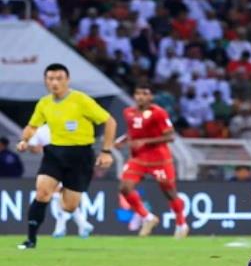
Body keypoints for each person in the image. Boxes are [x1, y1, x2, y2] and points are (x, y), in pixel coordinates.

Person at [15, 63, 116, 249]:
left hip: (81, 155)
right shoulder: (44, 103)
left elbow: (109, 121)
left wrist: (106, 151)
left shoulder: (81, 100)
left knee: (68, 206)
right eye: (50, 79)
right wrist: (25, 139)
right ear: (45, 81)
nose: (54, 83)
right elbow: (32, 126)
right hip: (55, 153)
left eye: (59, 78)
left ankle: (65, 199)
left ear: (67, 80)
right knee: (42, 192)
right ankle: (30, 240)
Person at [115, 83, 188, 238]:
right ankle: (148, 217)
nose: (140, 97)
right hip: (138, 158)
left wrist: (146, 141)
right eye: (138, 93)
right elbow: (134, 132)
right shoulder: (128, 112)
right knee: (125, 187)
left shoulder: (159, 113)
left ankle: (181, 224)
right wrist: (123, 139)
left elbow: (170, 136)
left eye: (145, 93)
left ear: (151, 97)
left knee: (169, 193)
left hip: (159, 159)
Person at [26, 124, 95, 238]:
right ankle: (76, 224)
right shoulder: (43, 130)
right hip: (55, 166)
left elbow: (36, 149)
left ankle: (70, 225)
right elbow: (35, 148)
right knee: (59, 194)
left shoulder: (68, 126)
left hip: (70, 166)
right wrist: (28, 142)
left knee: (62, 196)